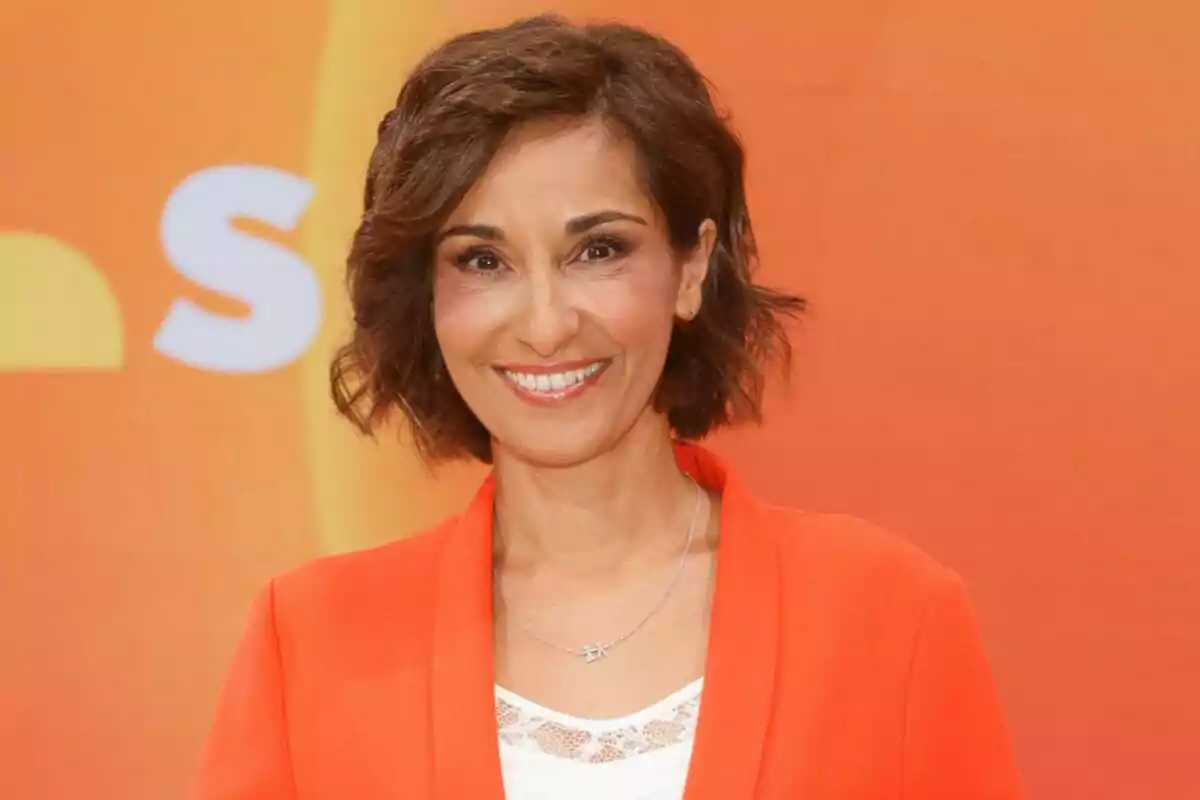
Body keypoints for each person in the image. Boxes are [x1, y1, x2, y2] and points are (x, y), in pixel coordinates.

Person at [191, 14, 1023, 800]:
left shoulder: (889, 616)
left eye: (598, 250)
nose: (547, 324)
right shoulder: (309, 640)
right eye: (483, 261)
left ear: (692, 267)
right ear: (429, 299)